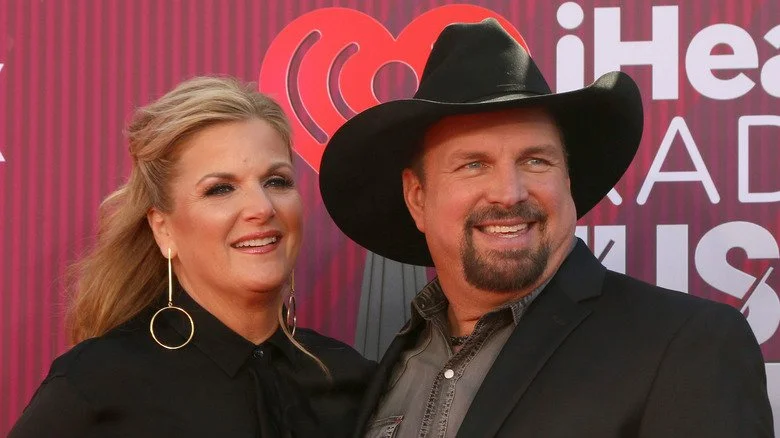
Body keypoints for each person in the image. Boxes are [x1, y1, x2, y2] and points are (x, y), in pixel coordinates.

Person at [319, 18, 773, 437]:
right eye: (473, 164)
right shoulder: (393, 366)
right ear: (418, 197)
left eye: (536, 160)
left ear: (568, 181)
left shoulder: (689, 346)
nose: (509, 192)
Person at [10, 76, 375, 437]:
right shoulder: (96, 385)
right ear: (163, 228)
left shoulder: (351, 381)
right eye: (221, 189)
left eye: (276, 181)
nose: (261, 207)